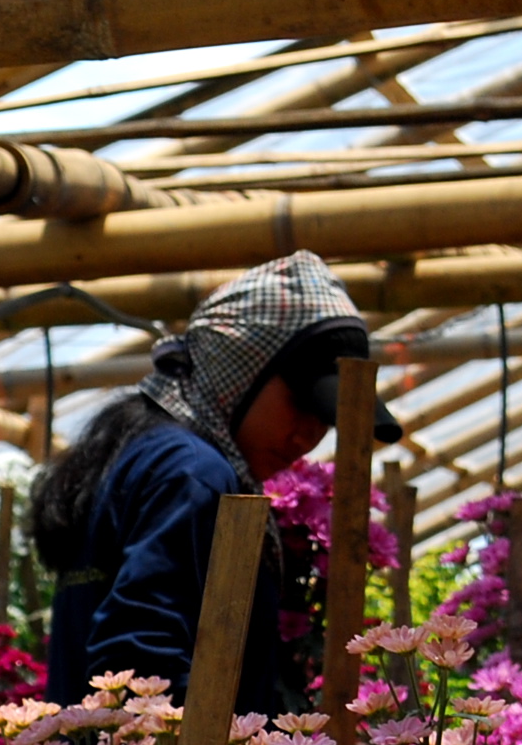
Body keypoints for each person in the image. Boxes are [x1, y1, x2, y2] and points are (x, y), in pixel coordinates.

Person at [31, 252, 397, 711]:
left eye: (325, 416)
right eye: (302, 402)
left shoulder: (139, 452)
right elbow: (143, 659)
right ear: (239, 370)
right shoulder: (193, 472)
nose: (310, 433)